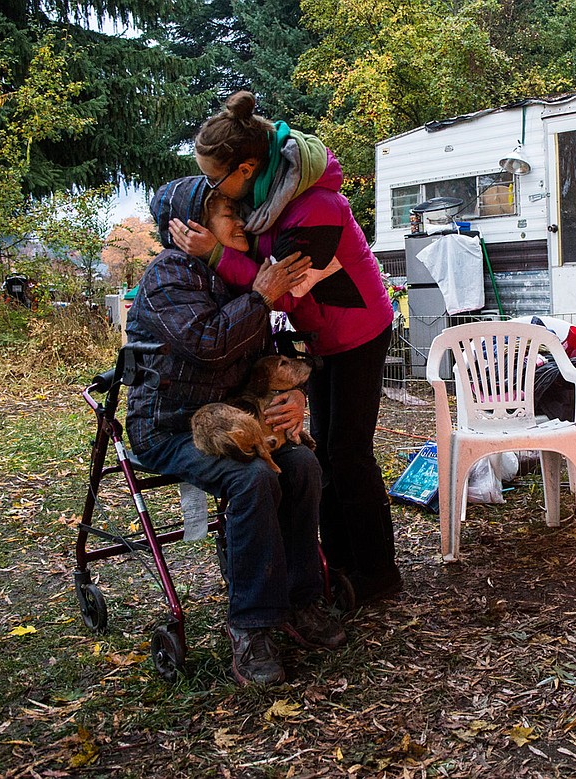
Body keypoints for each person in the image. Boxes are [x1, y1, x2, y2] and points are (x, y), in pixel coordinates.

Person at [170, 91, 401, 605]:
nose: (215, 190)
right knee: (326, 448)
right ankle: (338, 565)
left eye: (215, 179)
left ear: (247, 167)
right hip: (320, 333)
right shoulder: (270, 197)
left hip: (357, 333)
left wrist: (213, 255)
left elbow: (280, 284)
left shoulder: (316, 207)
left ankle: (378, 576)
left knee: (350, 453)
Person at [126, 176, 345, 686]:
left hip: (235, 415)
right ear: (188, 226)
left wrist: (292, 395)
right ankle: (252, 627)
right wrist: (262, 297)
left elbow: (263, 358)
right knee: (253, 480)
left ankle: (300, 599)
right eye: (229, 212)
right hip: (170, 426)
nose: (243, 221)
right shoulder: (167, 277)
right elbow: (209, 345)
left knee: (304, 465)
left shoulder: (231, 276)